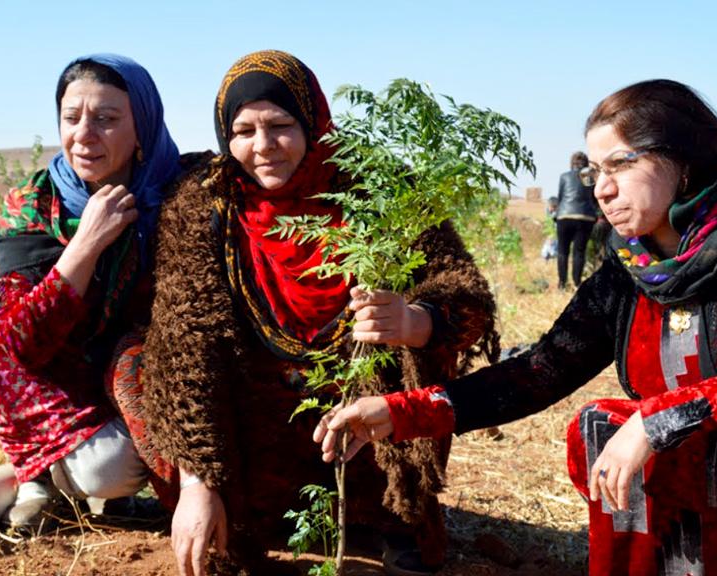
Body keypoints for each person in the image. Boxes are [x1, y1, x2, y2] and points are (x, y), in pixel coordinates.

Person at [317, 79, 717, 575]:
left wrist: (657, 420)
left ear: (683, 161)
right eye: (596, 171)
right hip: (710, 465)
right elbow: (540, 371)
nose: (602, 188)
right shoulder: (632, 267)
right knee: (601, 424)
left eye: (622, 165)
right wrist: (402, 411)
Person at [142, 50, 498, 576]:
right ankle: (240, 514)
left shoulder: (378, 190)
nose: (262, 147)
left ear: (314, 122)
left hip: (363, 415)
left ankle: (398, 518)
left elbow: (468, 300)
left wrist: (416, 320)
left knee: (411, 358)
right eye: (243, 131)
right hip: (256, 417)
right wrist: (197, 480)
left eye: (281, 125)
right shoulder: (203, 204)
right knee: (145, 369)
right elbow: (187, 345)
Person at [0, 54, 182, 529]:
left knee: (107, 472)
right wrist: (87, 243)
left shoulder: (179, 196)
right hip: (61, 384)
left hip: (137, 378)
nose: (85, 134)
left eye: (107, 119)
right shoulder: (36, 202)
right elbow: (22, 343)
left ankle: (69, 476)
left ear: (143, 126)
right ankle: (37, 473)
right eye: (72, 118)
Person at [555, 151, 598, 289]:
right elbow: (594, 199)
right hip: (585, 217)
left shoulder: (564, 176)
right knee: (579, 251)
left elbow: (560, 198)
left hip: (564, 215)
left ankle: (562, 284)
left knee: (562, 251)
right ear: (586, 163)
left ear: (571, 163)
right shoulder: (588, 176)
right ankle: (577, 282)